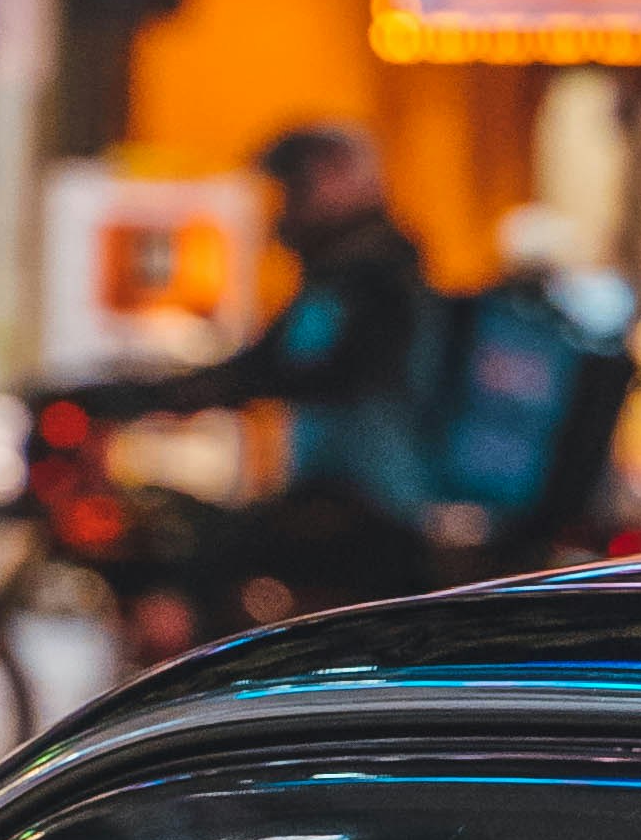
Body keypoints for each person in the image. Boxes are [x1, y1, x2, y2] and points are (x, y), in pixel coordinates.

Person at [49, 124, 460, 633]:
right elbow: (262, 367)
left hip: (369, 506)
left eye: (295, 190)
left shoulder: (376, 278)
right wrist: (155, 395)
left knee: (198, 573)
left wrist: (165, 397)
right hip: (341, 495)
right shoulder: (343, 274)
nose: (284, 212)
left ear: (337, 181)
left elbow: (289, 373)